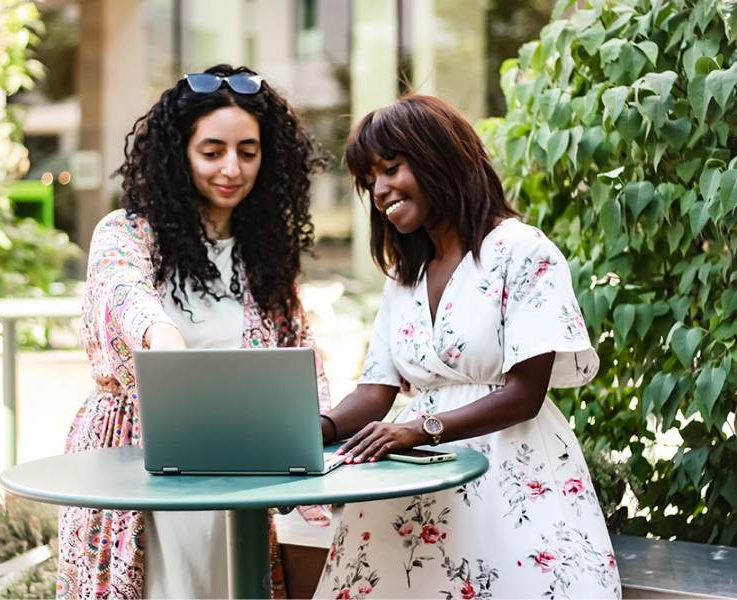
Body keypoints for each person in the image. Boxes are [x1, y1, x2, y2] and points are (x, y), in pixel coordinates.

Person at [313, 96, 621, 599]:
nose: (381, 190)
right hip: (414, 482)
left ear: (440, 157)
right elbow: (375, 391)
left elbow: (525, 393)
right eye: (371, 181)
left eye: (391, 169)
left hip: (511, 471)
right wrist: (315, 428)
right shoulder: (404, 279)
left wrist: (421, 428)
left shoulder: (522, 251)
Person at [56, 64, 331, 599]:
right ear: (178, 154)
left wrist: (315, 436)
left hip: (238, 468)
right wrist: (165, 344)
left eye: (248, 152)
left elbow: (299, 356)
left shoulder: (265, 256)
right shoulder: (127, 233)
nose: (232, 168)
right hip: (136, 463)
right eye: (212, 151)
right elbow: (121, 295)